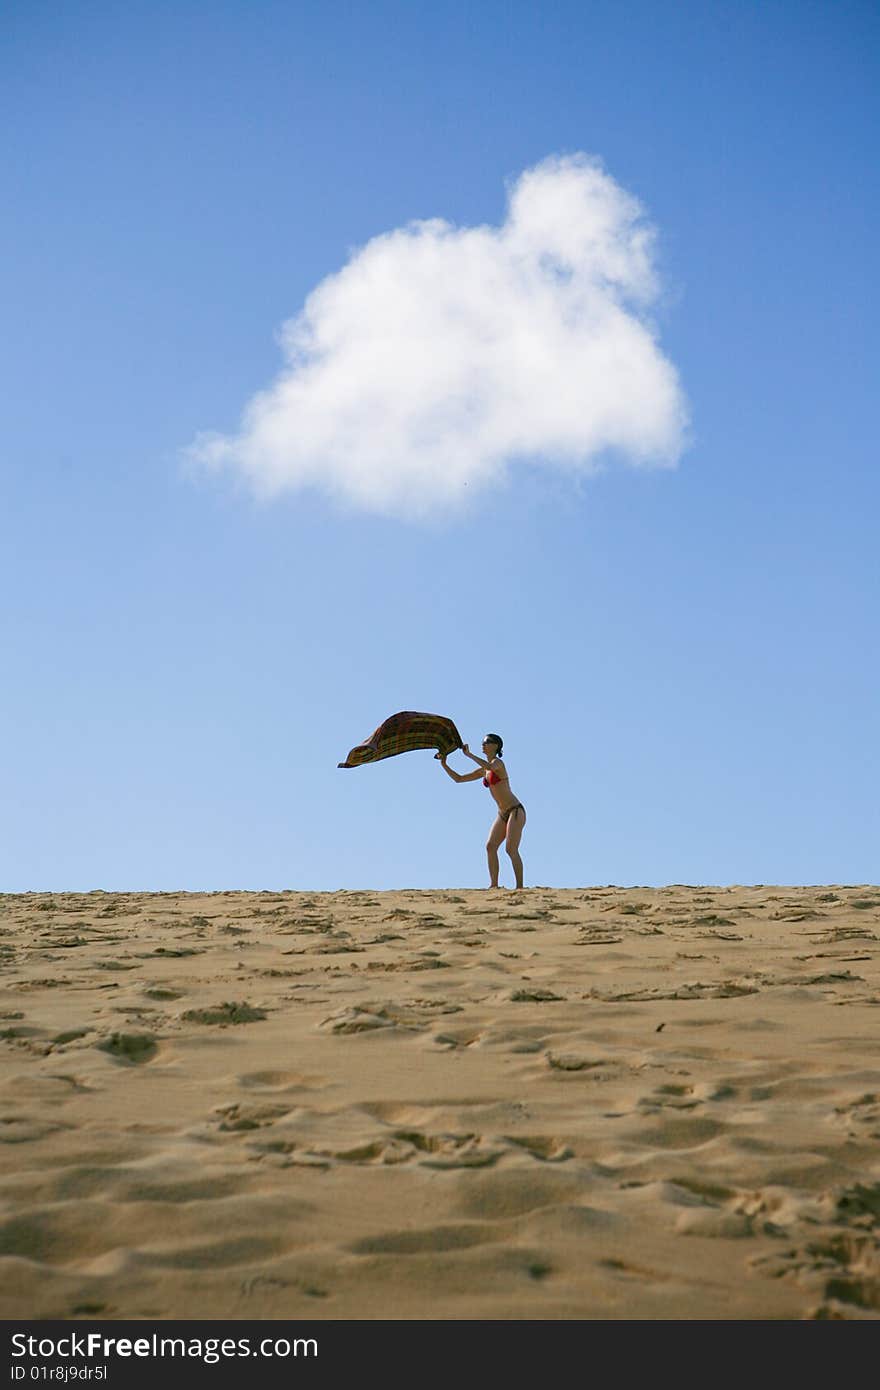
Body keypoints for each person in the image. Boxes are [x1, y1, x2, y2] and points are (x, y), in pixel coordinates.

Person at [438, 734, 526, 890]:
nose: (483, 745)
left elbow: (490, 767)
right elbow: (459, 779)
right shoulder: (483, 770)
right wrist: (444, 764)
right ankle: (494, 885)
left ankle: (520, 887)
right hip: (502, 813)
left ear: (496, 746)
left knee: (510, 849)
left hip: (515, 810)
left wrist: (469, 755)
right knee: (490, 847)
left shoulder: (498, 763)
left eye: (487, 743)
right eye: (483, 743)